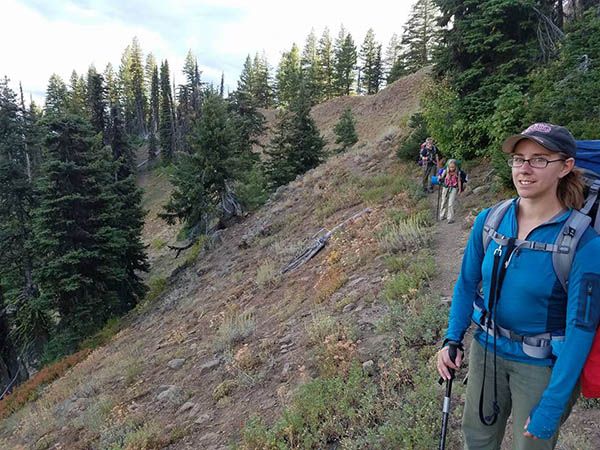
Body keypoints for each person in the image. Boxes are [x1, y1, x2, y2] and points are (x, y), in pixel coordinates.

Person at [436, 123, 600, 449]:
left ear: (565, 166)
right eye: (518, 158)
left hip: (542, 364)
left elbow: (581, 328)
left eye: (539, 159)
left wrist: (552, 406)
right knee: (477, 440)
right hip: (487, 350)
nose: (524, 168)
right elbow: (467, 283)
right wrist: (452, 337)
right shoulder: (490, 220)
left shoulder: (584, 243)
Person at [439, 159, 463, 224]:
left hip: (454, 188)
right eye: (450, 167)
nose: (451, 168)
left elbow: (459, 181)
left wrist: (460, 190)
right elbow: (441, 177)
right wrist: (440, 177)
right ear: (448, 167)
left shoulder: (458, 172)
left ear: (455, 167)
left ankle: (450, 218)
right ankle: (442, 215)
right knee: (444, 201)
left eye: (453, 167)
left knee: (451, 203)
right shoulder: (445, 171)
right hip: (446, 187)